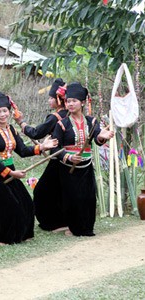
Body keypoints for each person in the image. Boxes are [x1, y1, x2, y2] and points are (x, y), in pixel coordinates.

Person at [0, 91, 58, 245]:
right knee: (8, 205)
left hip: (11, 170)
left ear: (9, 112)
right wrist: (11, 173)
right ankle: (5, 238)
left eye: (5, 111)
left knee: (26, 203)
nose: (3, 114)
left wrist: (42, 147)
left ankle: (24, 234)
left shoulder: (11, 129)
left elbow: (22, 151)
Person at [51, 82, 114, 237]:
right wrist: (69, 157)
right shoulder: (62, 124)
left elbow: (97, 138)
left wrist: (101, 137)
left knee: (88, 197)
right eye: (68, 101)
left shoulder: (91, 122)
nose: (70, 104)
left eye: (74, 101)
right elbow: (54, 148)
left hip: (86, 166)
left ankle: (87, 228)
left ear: (83, 103)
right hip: (68, 167)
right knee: (72, 198)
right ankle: (73, 227)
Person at [14, 78, 69, 232]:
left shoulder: (55, 117)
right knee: (60, 190)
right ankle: (63, 219)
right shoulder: (71, 114)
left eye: (51, 98)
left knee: (42, 190)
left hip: (59, 158)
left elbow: (36, 132)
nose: (49, 100)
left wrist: (20, 122)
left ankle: (54, 222)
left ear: (59, 99)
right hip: (70, 158)